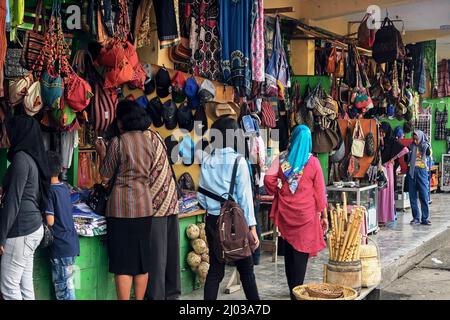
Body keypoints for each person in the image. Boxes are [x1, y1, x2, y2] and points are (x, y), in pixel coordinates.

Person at [96, 100, 180, 300]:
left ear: (122, 122)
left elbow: (105, 175)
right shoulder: (150, 141)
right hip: (144, 208)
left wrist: (102, 154)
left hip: (120, 209)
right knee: (143, 261)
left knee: (123, 263)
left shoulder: (119, 142)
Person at [197, 117, 260, 300]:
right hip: (235, 224)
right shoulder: (238, 161)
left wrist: (214, 207)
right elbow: (245, 198)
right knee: (246, 271)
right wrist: (252, 228)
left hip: (212, 221)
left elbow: (201, 195)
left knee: (215, 271)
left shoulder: (207, 160)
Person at [264, 125, 328, 300]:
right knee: (300, 254)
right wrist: (324, 215)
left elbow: (268, 180)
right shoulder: (313, 162)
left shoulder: (283, 159)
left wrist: (279, 190)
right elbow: (320, 193)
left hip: (285, 213)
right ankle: (296, 293)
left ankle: (293, 288)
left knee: (290, 253)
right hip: (306, 217)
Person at [0, 115, 49, 300]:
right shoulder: (31, 158)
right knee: (24, 284)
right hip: (32, 228)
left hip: (21, 229)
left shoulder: (21, 158)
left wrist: (1, 237)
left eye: (8, 131)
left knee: (8, 287)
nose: (5, 135)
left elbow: (13, 201)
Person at [45, 151, 80, 300]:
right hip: (71, 244)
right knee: (69, 285)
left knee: (63, 289)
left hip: (60, 247)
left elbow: (50, 221)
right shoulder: (64, 188)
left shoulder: (50, 192)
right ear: (60, 169)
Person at [378, 123, 409, 225]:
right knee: (380, 192)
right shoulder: (380, 140)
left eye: (383, 131)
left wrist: (393, 158)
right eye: (380, 131)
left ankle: (386, 216)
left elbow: (405, 149)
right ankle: (380, 217)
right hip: (380, 168)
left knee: (386, 192)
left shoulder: (392, 141)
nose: (382, 133)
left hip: (387, 168)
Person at [406, 130, 431, 225]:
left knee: (424, 195)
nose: (415, 141)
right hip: (412, 172)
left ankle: (425, 218)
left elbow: (428, 153)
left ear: (420, 138)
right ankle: (416, 218)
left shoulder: (425, 146)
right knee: (413, 196)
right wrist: (407, 154)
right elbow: (407, 158)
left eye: (417, 139)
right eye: (414, 139)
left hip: (422, 171)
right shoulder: (411, 146)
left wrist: (427, 146)